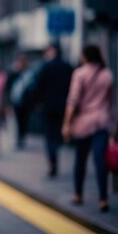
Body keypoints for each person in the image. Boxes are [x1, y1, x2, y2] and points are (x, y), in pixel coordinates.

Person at [63, 45, 114, 212]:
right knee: (100, 161)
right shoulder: (107, 74)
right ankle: (103, 199)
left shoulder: (79, 73)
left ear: (85, 56)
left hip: (83, 123)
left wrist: (66, 124)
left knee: (80, 159)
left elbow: (73, 100)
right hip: (102, 122)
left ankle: (78, 194)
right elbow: (110, 101)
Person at [33, 44, 73, 178]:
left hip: (48, 106)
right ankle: (58, 147)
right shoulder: (68, 67)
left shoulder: (46, 67)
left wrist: (37, 102)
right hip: (64, 106)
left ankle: (52, 160)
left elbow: (38, 86)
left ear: (53, 51)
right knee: (59, 131)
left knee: (50, 135)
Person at [6, 54, 33, 150]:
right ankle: (18, 138)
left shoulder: (29, 74)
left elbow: (32, 88)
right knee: (16, 121)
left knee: (24, 120)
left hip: (25, 102)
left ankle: (22, 137)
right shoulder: (13, 74)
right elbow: (8, 87)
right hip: (15, 100)